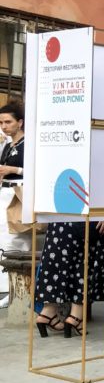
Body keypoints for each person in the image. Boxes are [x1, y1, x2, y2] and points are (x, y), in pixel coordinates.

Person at [34, 220, 104, 337]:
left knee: (57, 261)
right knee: (85, 260)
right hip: (89, 216)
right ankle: (76, 317)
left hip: (59, 218)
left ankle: (47, 313)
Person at [0, 99, 29, 306]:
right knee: (4, 241)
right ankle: (5, 287)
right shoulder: (7, 145)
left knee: (18, 240)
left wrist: (13, 170)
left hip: (20, 194)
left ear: (20, 122)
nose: (4, 126)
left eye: (8, 122)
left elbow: (37, 171)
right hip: (5, 194)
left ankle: (17, 290)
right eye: (1, 123)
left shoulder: (28, 144)